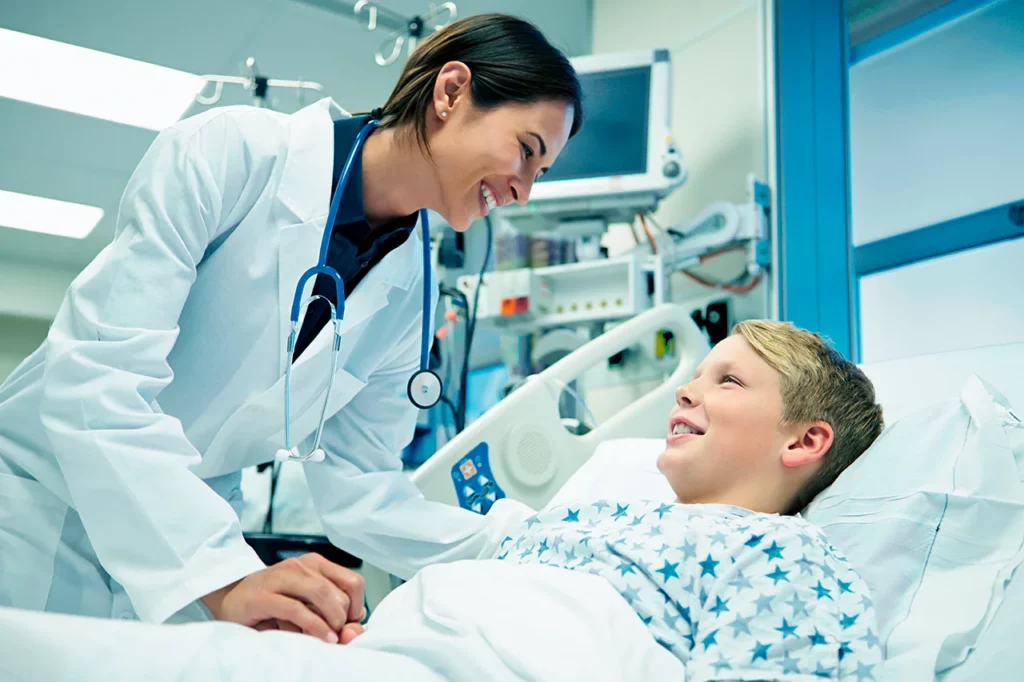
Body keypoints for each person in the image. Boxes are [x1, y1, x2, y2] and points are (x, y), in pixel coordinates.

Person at [0, 13, 581, 644]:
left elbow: (362, 489)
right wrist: (222, 576)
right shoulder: (230, 154)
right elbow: (95, 381)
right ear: (450, 92)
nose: (524, 190)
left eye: (541, 173)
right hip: (39, 504)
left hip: (193, 537)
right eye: (527, 151)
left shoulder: (409, 292)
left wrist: (524, 543)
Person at [492, 320, 887, 678]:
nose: (683, 391)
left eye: (729, 380)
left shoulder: (779, 553)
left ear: (803, 441)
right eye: (696, 377)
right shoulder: (597, 513)